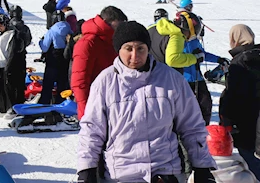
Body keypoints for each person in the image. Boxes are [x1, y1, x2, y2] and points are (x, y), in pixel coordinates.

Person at [77, 21, 216, 183]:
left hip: (165, 171)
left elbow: (192, 127)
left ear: (148, 49)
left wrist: (202, 167)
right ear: (118, 50)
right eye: (128, 49)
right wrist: (86, 169)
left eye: (140, 48)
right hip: (121, 174)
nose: (135, 56)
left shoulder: (171, 79)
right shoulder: (105, 82)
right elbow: (92, 130)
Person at [70, 6, 127, 119]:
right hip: (95, 106)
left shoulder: (112, 41)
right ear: (107, 22)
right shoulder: (88, 43)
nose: (120, 30)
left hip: (114, 105)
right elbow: (79, 81)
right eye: (119, 25)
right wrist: (86, 112)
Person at [219, 24, 260, 180]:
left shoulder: (240, 62)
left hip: (246, 124)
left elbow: (233, 96)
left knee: (252, 166)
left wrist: (226, 119)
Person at [0, 13, 26, 115]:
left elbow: (12, 52)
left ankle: (11, 108)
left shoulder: (11, 34)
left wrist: (9, 66)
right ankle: (3, 108)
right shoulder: (0, 34)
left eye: (0, 25)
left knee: (8, 88)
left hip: (7, 65)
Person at [38, 11, 72, 105]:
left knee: (48, 84)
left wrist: (41, 42)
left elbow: (45, 47)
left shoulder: (52, 30)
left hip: (53, 59)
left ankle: (44, 104)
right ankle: (61, 104)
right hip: (64, 59)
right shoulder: (68, 28)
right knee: (62, 84)